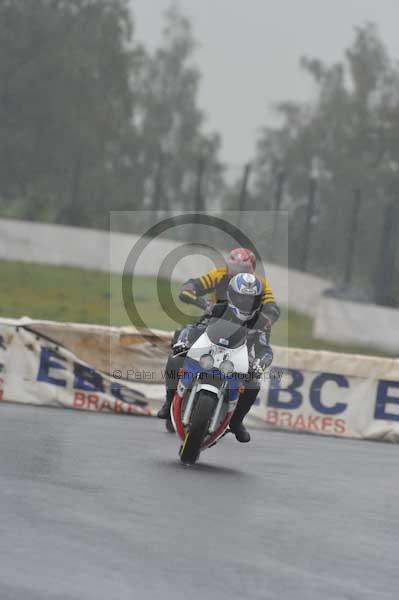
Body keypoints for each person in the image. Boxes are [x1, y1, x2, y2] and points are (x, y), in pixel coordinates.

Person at [158, 271, 280, 443]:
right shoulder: (219, 309)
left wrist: (259, 364)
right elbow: (195, 328)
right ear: (231, 295)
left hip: (239, 357)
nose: (246, 303)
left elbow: (265, 349)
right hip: (209, 349)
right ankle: (169, 400)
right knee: (176, 358)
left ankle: (237, 422)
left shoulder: (263, 322)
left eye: (251, 299)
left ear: (259, 301)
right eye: (241, 298)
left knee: (253, 382)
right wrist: (184, 341)